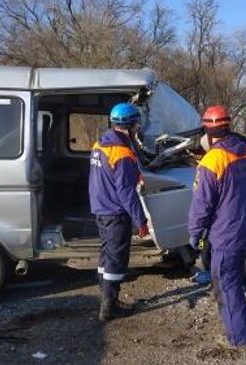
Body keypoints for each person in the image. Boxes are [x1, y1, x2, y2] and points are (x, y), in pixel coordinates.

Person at [188, 105, 246, 348]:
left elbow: (201, 205)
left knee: (226, 282)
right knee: (234, 277)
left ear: (208, 131)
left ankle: (239, 337)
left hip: (226, 232)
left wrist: (195, 233)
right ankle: (236, 318)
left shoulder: (213, 160)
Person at [89, 102, 149, 322]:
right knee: (116, 258)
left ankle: (107, 297)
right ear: (130, 125)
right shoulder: (122, 153)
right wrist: (140, 220)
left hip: (101, 208)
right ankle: (109, 308)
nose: (138, 127)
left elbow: (106, 177)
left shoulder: (100, 144)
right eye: (136, 123)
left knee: (106, 254)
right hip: (115, 212)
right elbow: (125, 192)